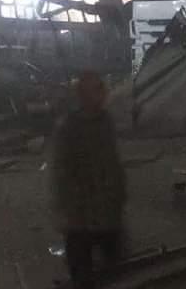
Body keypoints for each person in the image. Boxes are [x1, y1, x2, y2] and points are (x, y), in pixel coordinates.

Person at [49, 71, 127, 289]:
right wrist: (68, 209)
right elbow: (61, 174)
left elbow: (112, 161)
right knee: (82, 270)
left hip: (106, 209)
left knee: (112, 266)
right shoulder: (68, 128)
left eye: (102, 88)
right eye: (97, 89)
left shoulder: (105, 122)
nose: (103, 94)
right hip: (80, 215)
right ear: (83, 95)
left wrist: (118, 193)